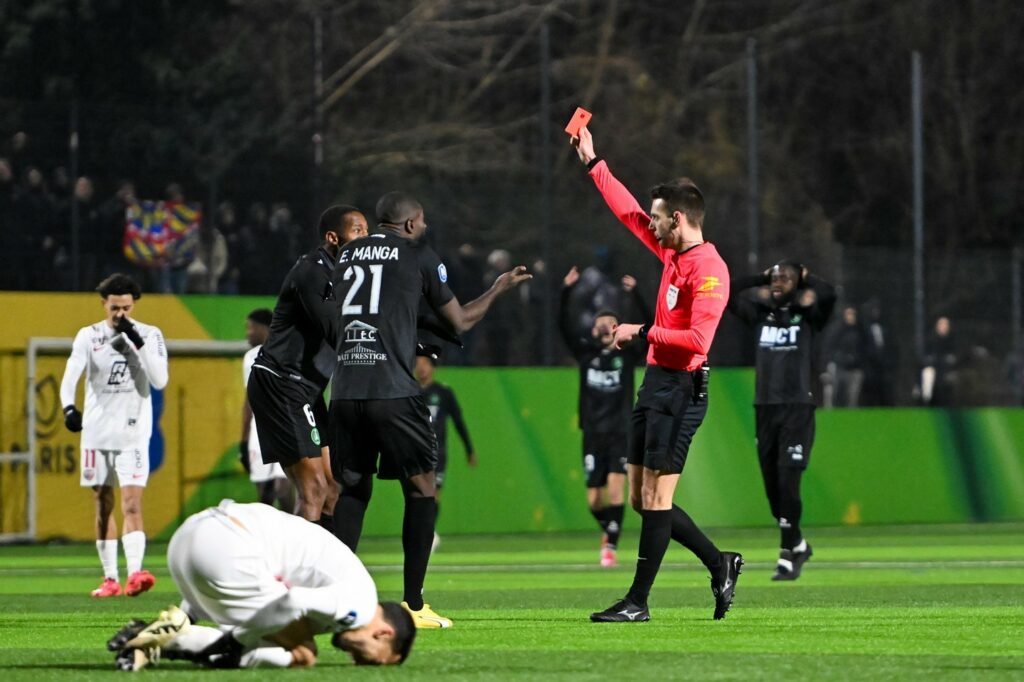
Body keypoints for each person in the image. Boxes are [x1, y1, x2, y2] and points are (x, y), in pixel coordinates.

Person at [329, 190, 531, 629]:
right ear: (409, 224)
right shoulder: (418, 253)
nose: (424, 227)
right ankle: (415, 605)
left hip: (344, 390)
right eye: (421, 221)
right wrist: (498, 288)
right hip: (393, 391)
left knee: (352, 492)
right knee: (421, 488)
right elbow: (460, 320)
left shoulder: (344, 255)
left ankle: (334, 596)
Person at [572, 126, 743, 623]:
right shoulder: (673, 250)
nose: (652, 224)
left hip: (682, 390)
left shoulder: (709, 270)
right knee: (643, 503)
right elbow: (628, 212)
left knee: (655, 498)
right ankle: (720, 563)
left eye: (660, 218)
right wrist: (593, 162)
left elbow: (698, 342)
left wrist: (640, 331)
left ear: (681, 219)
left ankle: (638, 602)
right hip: (655, 385)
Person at [108, 500, 416, 671]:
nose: (357, 660)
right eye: (370, 660)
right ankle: (170, 641)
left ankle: (168, 634)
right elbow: (294, 602)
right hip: (228, 547)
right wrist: (238, 641)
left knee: (276, 626)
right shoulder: (360, 608)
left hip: (188, 540)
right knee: (302, 653)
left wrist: (192, 611)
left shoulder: (351, 581)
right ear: (384, 633)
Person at [247, 204, 368, 527]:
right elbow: (337, 330)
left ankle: (322, 567)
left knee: (333, 488)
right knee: (313, 489)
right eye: (357, 231)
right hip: (282, 381)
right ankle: (299, 574)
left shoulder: (350, 278)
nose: (365, 238)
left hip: (307, 388)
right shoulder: (313, 271)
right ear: (333, 237)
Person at [59, 273, 168, 597]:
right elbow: (71, 373)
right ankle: (110, 579)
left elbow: (160, 379)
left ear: (133, 306)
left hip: (132, 434)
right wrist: (68, 407)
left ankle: (136, 573)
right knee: (103, 504)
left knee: (132, 504)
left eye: (126, 308)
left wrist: (135, 337)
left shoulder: (149, 334)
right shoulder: (88, 336)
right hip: (95, 433)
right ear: (104, 304)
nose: (120, 314)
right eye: (115, 308)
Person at [727, 261, 836, 580]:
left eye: (785, 277)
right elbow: (728, 293)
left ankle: (787, 555)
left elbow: (829, 295)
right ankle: (798, 543)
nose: (778, 282)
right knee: (774, 492)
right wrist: (759, 277)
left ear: (797, 282)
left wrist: (807, 277)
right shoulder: (760, 315)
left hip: (797, 408)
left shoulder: (808, 318)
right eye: (774, 277)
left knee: (789, 484)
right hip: (765, 408)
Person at [559, 266, 650, 568]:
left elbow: (650, 331)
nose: (603, 327)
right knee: (594, 501)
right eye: (599, 323)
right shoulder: (586, 355)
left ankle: (610, 546)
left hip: (619, 431)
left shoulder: (627, 356)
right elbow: (563, 327)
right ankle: (610, 527)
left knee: (615, 490)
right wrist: (567, 291)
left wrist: (636, 294)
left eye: (609, 323)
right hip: (592, 432)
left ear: (617, 328)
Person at [414, 352, 476, 552]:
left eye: (425, 363)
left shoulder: (443, 393)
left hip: (437, 452)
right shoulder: (409, 392)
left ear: (433, 367)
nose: (421, 367)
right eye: (418, 364)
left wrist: (469, 449)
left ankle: (428, 531)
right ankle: (420, 531)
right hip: (414, 451)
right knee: (417, 494)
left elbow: (458, 422)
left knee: (433, 494)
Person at [240, 308, 294, 511]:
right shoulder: (250, 357)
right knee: (264, 494)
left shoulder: (288, 353)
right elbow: (249, 403)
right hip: (258, 432)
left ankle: (293, 536)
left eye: (251, 327)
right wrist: (244, 442)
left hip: (285, 426)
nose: (248, 333)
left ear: (264, 328)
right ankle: (268, 540)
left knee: (284, 486)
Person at [921, 316, 959, 407]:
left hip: (947, 370)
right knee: (928, 375)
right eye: (941, 324)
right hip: (934, 370)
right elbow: (926, 356)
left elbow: (955, 356)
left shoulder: (952, 340)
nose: (943, 326)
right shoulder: (931, 339)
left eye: (945, 324)